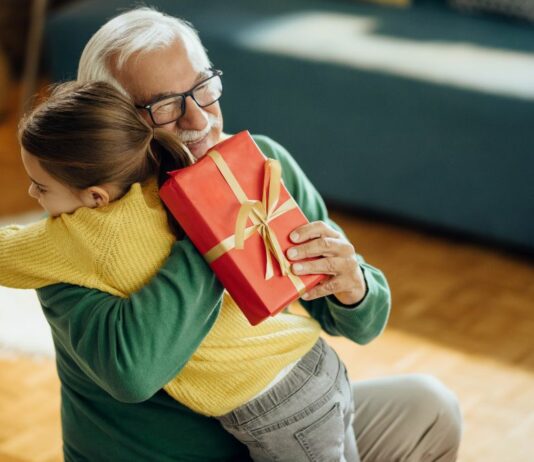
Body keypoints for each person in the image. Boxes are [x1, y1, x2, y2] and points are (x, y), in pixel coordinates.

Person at [32, 6, 460, 461]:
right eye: (164, 106)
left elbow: (360, 323)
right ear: (111, 120)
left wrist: (353, 288)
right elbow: (132, 375)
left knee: (429, 409)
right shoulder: (74, 236)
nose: (198, 121)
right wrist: (213, 222)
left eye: (202, 89)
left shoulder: (261, 165)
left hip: (283, 430)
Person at [4, 79, 360, 461]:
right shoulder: (171, 190)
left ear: (95, 197)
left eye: (40, 187)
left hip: (282, 411)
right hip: (315, 362)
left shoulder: (79, 236)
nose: (32, 196)